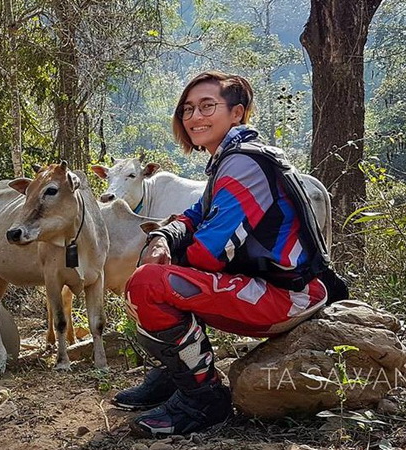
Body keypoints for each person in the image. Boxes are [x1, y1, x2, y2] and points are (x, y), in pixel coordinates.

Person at [113, 70, 331, 436]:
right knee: (157, 255)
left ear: (237, 113)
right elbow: (193, 217)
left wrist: (168, 254)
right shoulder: (230, 159)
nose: (195, 116)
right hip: (267, 286)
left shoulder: (244, 164)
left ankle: (203, 400)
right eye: (187, 109)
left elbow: (210, 254)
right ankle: (177, 375)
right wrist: (164, 238)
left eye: (207, 106)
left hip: (288, 295)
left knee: (148, 283)